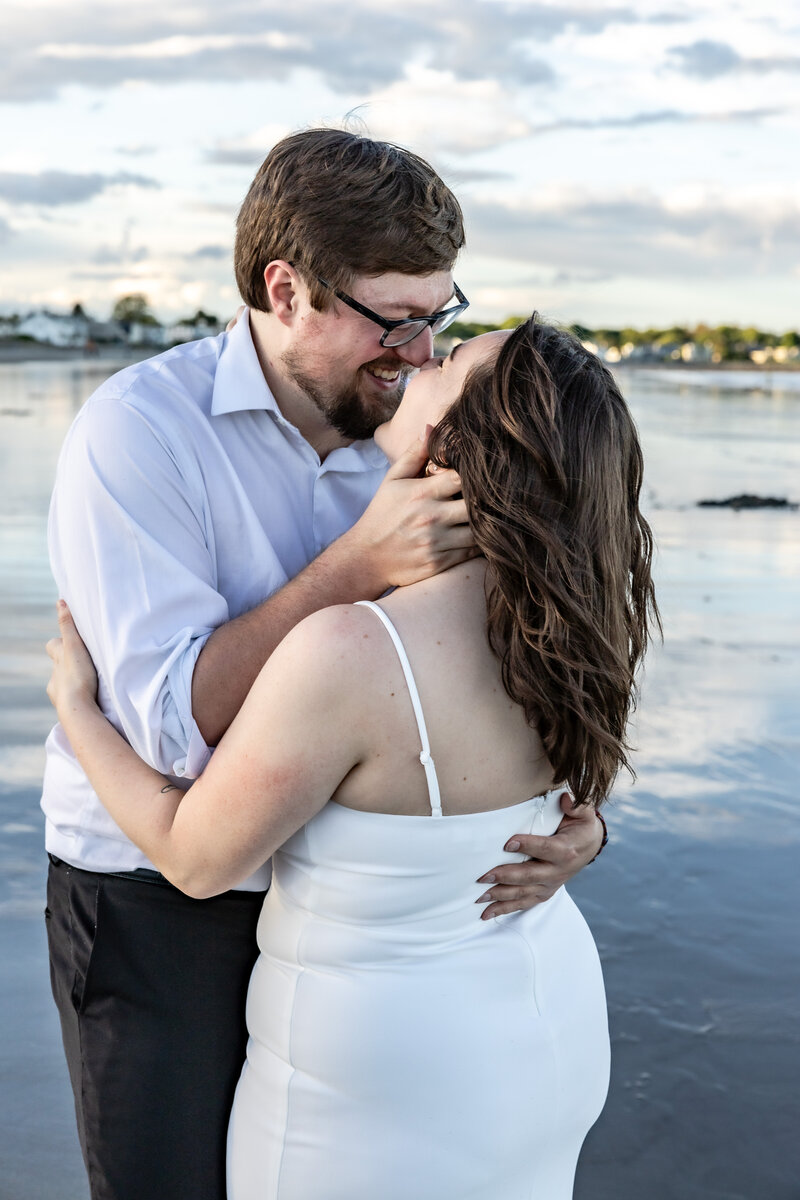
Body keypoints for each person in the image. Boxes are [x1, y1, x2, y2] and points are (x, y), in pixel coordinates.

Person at [43, 130, 604, 1200]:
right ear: (286, 287)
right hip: (157, 904)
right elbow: (169, 737)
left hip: (353, 901)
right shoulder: (138, 437)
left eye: (438, 315)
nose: (418, 350)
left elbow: (524, 656)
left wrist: (577, 813)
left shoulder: (438, 435)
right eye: (392, 319)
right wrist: (354, 566)